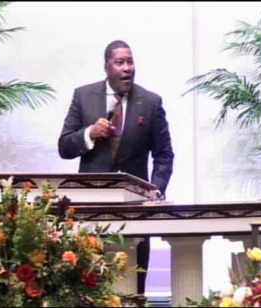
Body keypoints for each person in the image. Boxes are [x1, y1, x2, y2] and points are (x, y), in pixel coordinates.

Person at [58, 40, 174, 295]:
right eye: (120, 62)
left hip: (136, 213)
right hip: (90, 213)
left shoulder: (151, 102)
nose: (127, 68)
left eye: (130, 62)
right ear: (106, 67)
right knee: (89, 291)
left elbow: (164, 154)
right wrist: (89, 133)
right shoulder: (83, 96)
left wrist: (155, 191)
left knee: (134, 290)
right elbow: (64, 147)